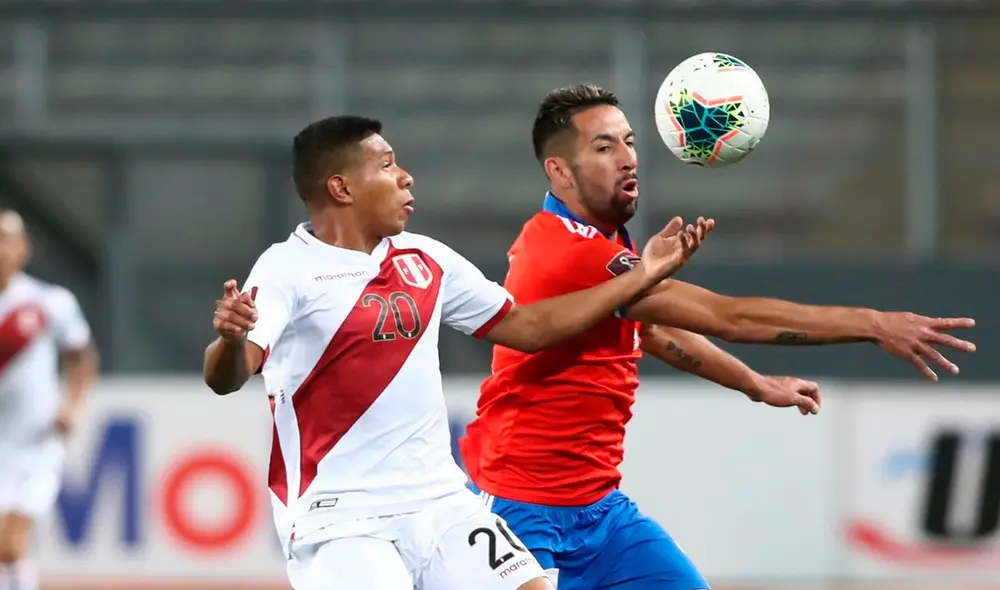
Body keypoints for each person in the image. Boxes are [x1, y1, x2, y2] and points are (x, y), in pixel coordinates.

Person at [459, 84, 978, 590]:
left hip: (600, 510)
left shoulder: (603, 240)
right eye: (604, 146)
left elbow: (655, 332)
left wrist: (754, 383)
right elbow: (728, 317)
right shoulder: (569, 250)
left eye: (630, 141)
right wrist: (872, 323)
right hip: (519, 508)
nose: (628, 158)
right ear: (559, 171)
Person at [202, 115, 712, 590]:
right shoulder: (287, 268)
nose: (405, 177)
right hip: (342, 519)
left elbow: (528, 326)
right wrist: (229, 340)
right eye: (386, 165)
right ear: (341, 188)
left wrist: (642, 276)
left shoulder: (427, 258)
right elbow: (229, 375)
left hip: (441, 503)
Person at [0, 210, 98, 590]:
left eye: (6, 240)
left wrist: (72, 404)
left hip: (34, 443)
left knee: (10, 544)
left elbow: (82, 357)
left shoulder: (49, 302)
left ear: (23, 249)